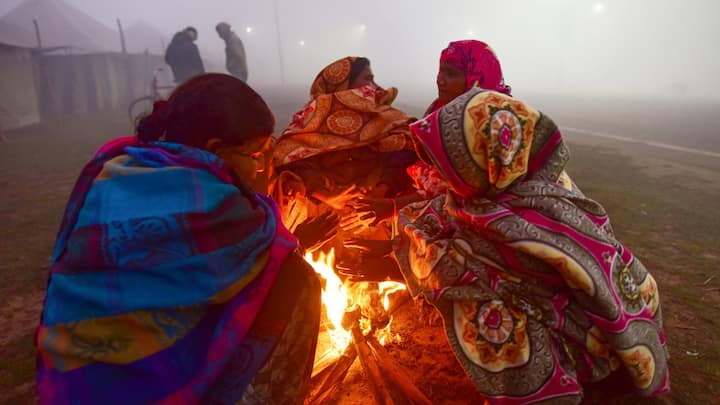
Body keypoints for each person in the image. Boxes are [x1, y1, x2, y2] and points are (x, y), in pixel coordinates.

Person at [35, 74, 336, 404]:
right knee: (297, 279)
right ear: (215, 149)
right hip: (142, 390)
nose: (262, 169)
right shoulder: (211, 207)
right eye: (254, 156)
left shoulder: (117, 167)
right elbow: (271, 241)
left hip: (67, 381)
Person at [394, 88, 670, 403]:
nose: (441, 175)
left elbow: (600, 287)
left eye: (450, 163)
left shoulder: (540, 214)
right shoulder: (490, 192)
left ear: (486, 155)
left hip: (587, 343)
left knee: (482, 308)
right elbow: (443, 216)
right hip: (564, 316)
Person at [270, 56, 417, 279]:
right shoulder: (313, 118)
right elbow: (292, 156)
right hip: (325, 204)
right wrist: (326, 194)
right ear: (343, 86)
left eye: (373, 80)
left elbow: (403, 150)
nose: (372, 87)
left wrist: (383, 188)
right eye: (366, 79)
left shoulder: (381, 114)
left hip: (372, 201)